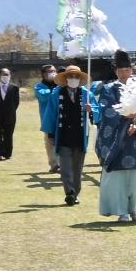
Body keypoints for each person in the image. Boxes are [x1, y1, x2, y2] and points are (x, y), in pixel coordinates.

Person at [93, 50, 136, 222]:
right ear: (116, 71)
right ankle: (122, 210)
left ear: (131, 69)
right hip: (117, 140)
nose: (124, 72)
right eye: (120, 69)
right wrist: (125, 116)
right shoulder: (108, 89)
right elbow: (106, 111)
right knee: (118, 179)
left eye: (127, 69)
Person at [44, 63, 93, 205]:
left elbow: (97, 111)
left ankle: (75, 192)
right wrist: (50, 134)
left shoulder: (86, 94)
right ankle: (69, 192)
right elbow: (51, 114)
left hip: (79, 136)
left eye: (76, 76)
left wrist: (91, 111)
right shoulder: (56, 94)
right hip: (63, 135)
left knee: (77, 167)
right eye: (70, 76)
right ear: (65, 79)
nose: (73, 79)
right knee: (65, 166)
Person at [33, 64, 60, 170]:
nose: (53, 73)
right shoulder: (39, 87)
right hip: (47, 119)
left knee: (62, 141)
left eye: (54, 71)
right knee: (50, 142)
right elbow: (44, 96)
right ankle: (54, 164)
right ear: (43, 74)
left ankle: (62, 163)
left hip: (61, 117)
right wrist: (57, 88)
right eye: (50, 72)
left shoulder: (61, 85)